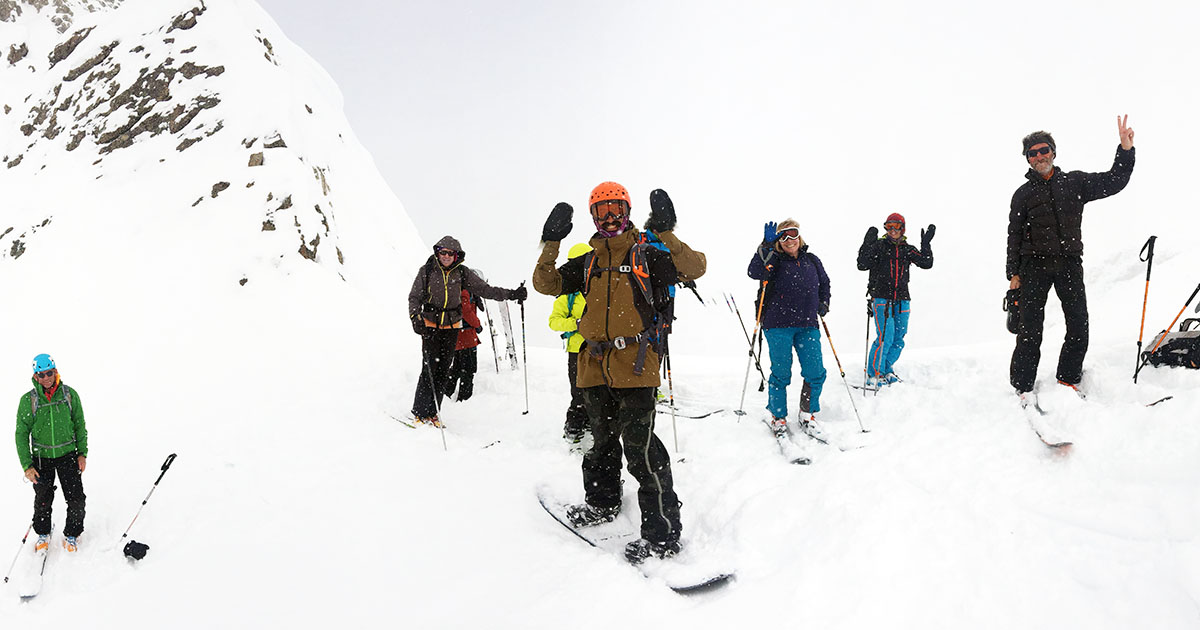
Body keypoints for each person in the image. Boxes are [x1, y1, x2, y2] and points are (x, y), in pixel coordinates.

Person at [533, 183, 705, 563]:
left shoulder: (647, 253)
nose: (609, 217)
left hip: (637, 366)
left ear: (626, 211)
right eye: (601, 211)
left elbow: (695, 267)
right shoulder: (589, 261)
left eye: (616, 209)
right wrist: (551, 241)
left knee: (641, 452)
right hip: (593, 366)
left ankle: (662, 534)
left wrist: (665, 230)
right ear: (593, 217)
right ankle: (602, 502)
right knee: (599, 443)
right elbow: (545, 284)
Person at [1007, 116, 1136, 403]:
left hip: (1068, 263)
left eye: (1044, 150)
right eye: (1033, 153)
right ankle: (1023, 385)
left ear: (1053, 151)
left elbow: (1114, 181)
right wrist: (1013, 273)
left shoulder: (1075, 182)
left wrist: (1125, 150)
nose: (1039, 156)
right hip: (1033, 267)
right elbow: (1014, 234)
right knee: (1029, 329)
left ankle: (1068, 378)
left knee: (1078, 323)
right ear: (1027, 159)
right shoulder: (1023, 194)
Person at [408, 237, 526, 425]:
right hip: (430, 326)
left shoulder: (462, 273)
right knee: (430, 369)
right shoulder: (427, 271)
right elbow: (414, 297)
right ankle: (420, 412)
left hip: (452, 327)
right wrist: (415, 318)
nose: (446, 256)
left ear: (456, 256)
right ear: (437, 253)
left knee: (443, 371)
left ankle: (433, 413)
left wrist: (512, 294)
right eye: (443, 252)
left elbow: (485, 290)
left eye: (450, 253)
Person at [747, 220, 830, 439]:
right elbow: (754, 271)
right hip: (778, 326)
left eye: (793, 235)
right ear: (778, 241)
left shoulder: (812, 260)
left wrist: (824, 303)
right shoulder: (773, 260)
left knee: (815, 372)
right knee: (781, 373)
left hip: (807, 324)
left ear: (799, 237)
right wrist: (766, 244)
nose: (789, 240)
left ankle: (807, 413)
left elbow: (825, 283)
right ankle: (778, 417)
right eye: (783, 237)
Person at [15, 354, 88, 553]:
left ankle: (72, 534)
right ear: (35, 376)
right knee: (43, 499)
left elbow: (80, 425)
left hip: (67, 455)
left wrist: (82, 453)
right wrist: (27, 466)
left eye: (49, 373)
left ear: (55, 372)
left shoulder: (68, 395)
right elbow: (21, 434)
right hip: (42, 458)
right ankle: (43, 533)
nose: (46, 378)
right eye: (41, 374)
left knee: (76, 498)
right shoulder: (28, 400)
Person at [856, 213, 934, 387]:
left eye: (896, 226)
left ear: (902, 228)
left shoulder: (907, 249)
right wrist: (867, 244)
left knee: (899, 337)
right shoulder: (879, 246)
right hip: (881, 298)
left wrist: (926, 244)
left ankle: (886, 369)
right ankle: (874, 373)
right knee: (885, 336)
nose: (892, 230)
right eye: (888, 226)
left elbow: (926, 263)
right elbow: (862, 264)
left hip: (902, 299)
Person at [547, 242, 592, 447]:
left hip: (599, 349)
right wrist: (577, 324)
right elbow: (554, 321)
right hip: (577, 350)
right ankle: (574, 426)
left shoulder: (601, 287)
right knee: (579, 391)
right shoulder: (568, 294)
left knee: (598, 390)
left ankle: (591, 422)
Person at [447, 289, 482, 402]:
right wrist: (477, 324)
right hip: (466, 337)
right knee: (468, 369)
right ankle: (464, 399)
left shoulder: (459, 289)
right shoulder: (465, 291)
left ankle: (445, 393)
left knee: (457, 367)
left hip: (459, 336)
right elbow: (465, 310)